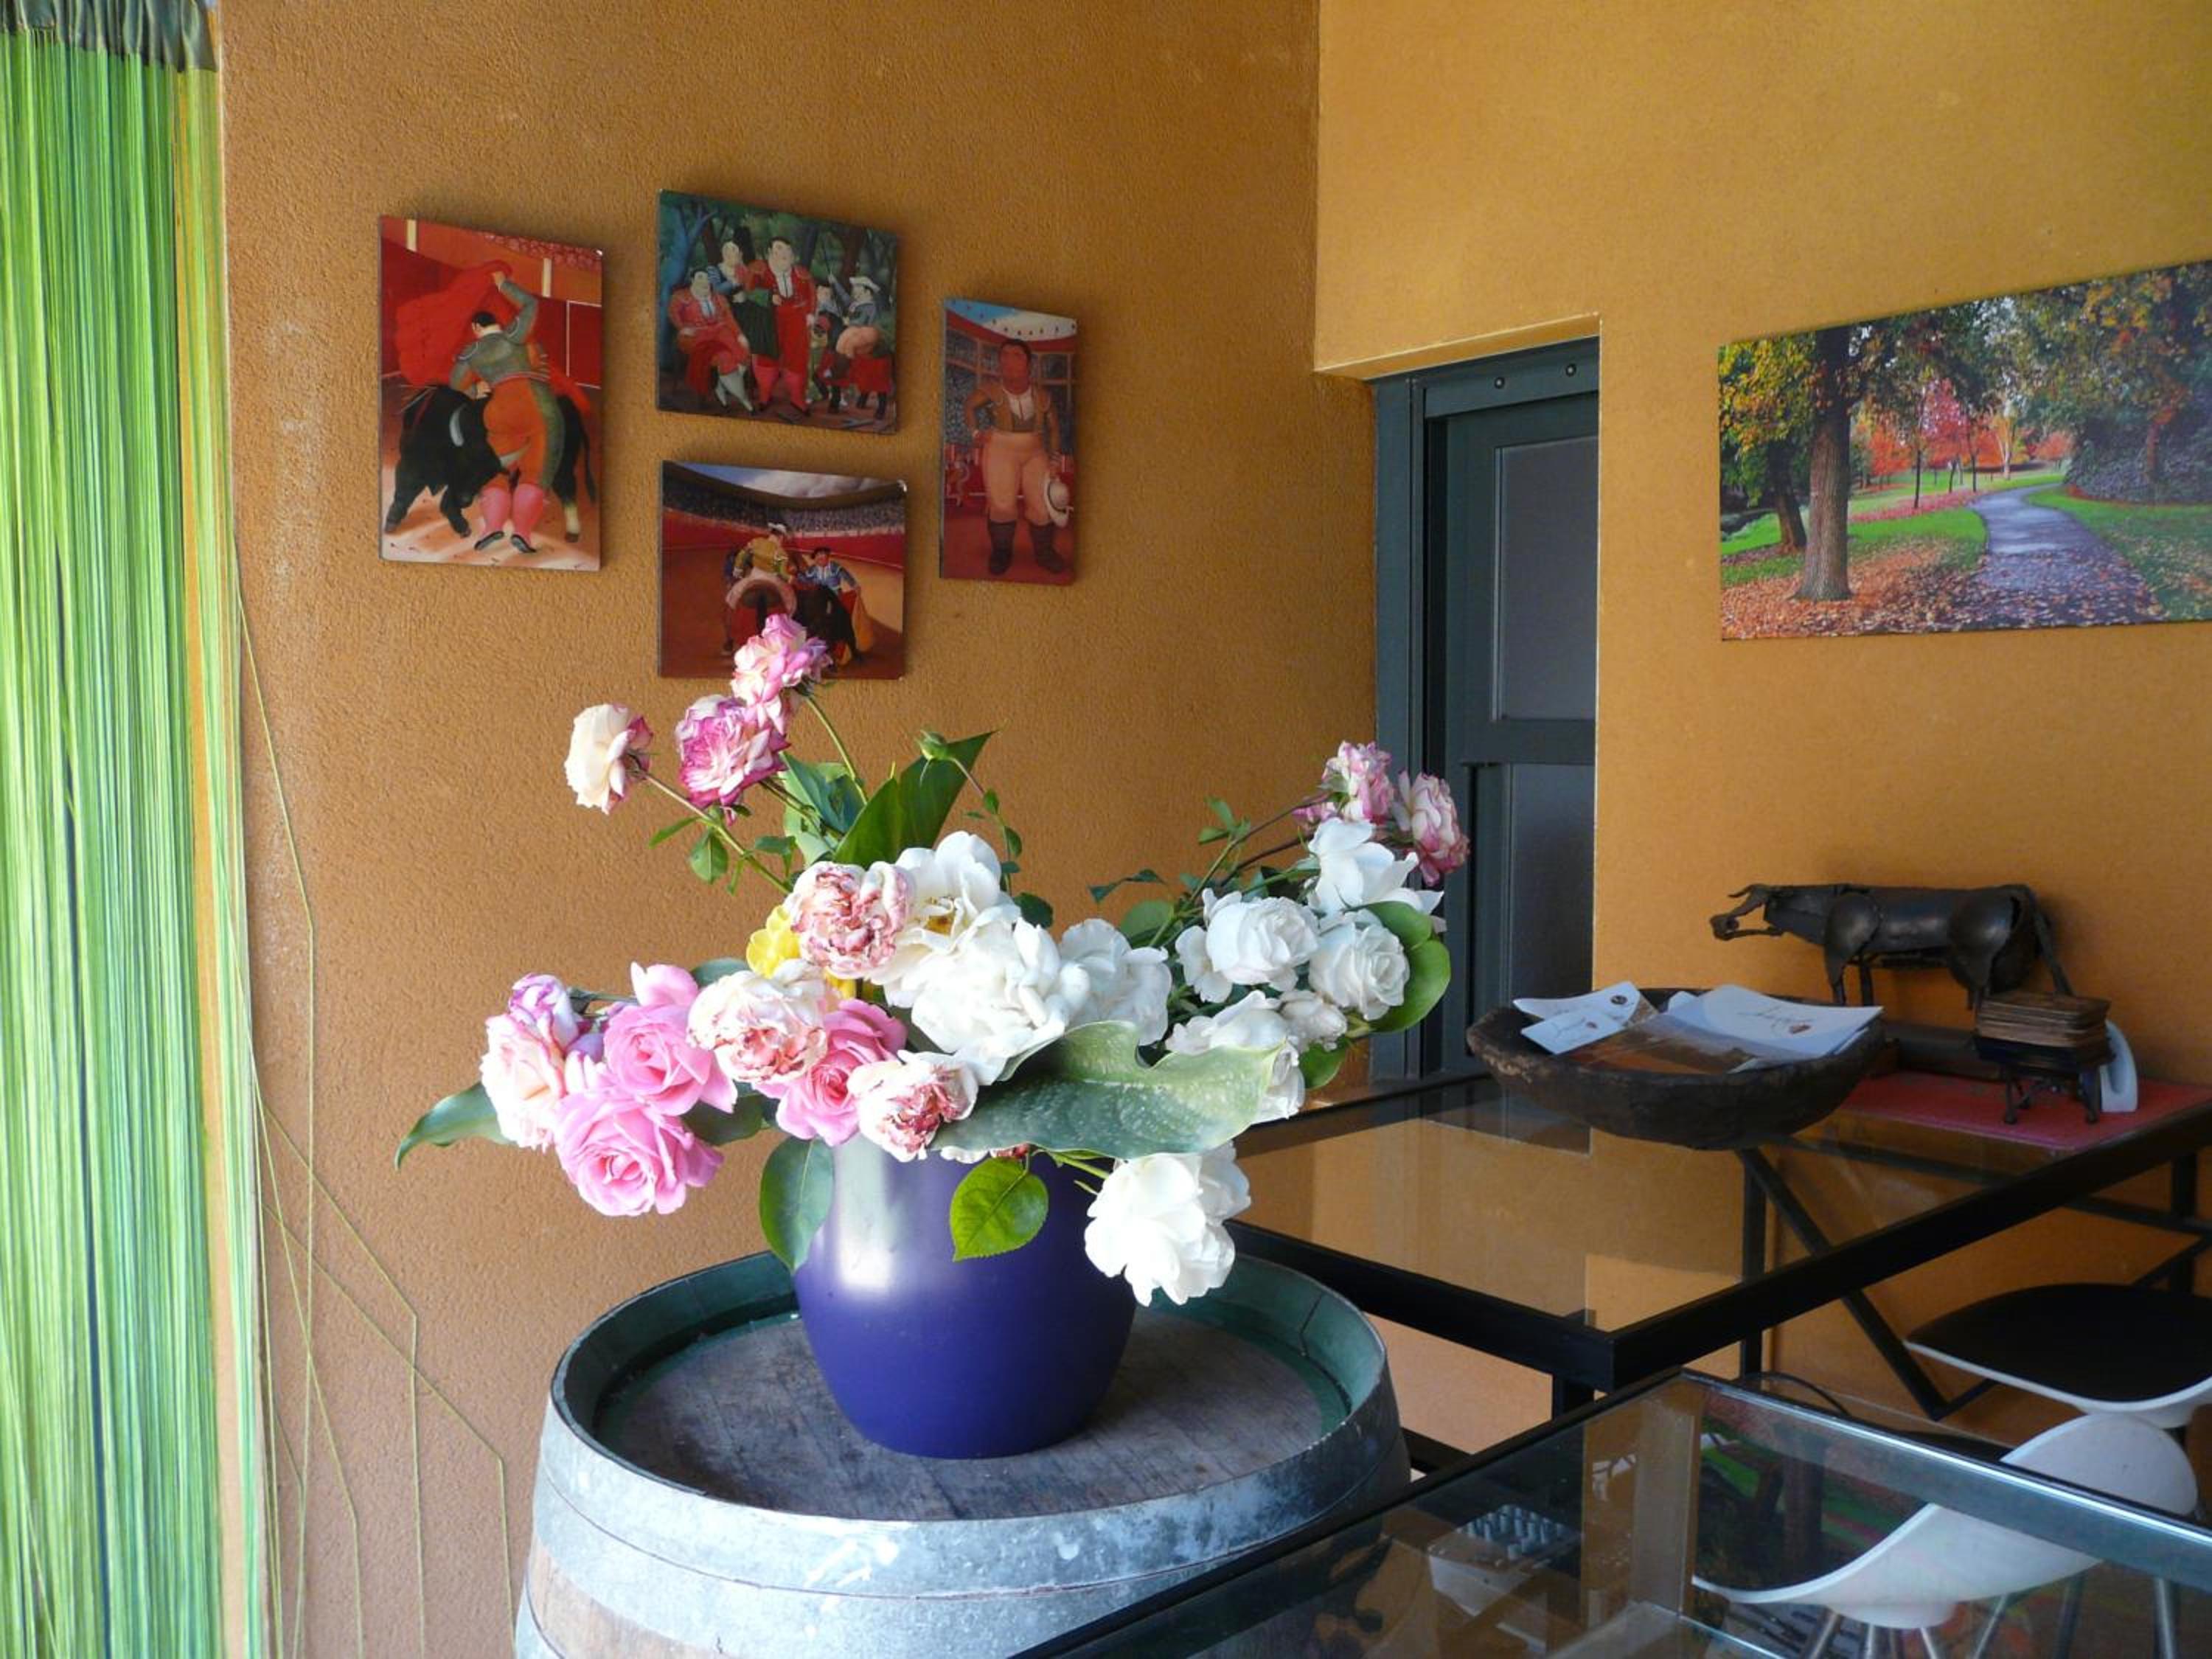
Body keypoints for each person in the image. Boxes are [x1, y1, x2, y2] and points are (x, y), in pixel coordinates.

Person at [449, 274, 563, 554]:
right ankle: (522, 533)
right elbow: (531, 304)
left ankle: (492, 527)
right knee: (536, 472)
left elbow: (455, 384)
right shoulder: (516, 335)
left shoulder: (472, 351)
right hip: (537, 407)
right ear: (498, 324)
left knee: (495, 471)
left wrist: (475, 389)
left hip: (499, 411)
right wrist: (503, 284)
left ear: (476, 328)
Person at [964, 338, 1065, 574]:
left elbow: (1054, 429)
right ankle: (1001, 552)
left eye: (1017, 355)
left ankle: (1044, 552)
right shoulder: (991, 390)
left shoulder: (1043, 396)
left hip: (1035, 449)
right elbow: (969, 406)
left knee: (1042, 505)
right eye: (1005, 355)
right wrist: (976, 433)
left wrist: (1054, 460)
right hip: (1001, 447)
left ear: (1029, 364)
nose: (1009, 361)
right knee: (1001, 504)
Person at [744, 236, 817, 411]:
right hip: (769, 321)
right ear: (770, 252)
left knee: (797, 358)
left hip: (797, 320)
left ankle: (797, 398)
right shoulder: (758, 270)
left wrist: (810, 314)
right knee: (766, 358)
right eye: (779, 248)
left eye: (787, 249)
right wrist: (768, 297)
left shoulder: (802, 274)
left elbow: (812, 295)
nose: (784, 253)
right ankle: (765, 395)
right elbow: (747, 292)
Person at [667, 270, 752, 409]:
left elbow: (729, 319)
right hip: (695, 335)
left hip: (720, 332)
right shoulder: (680, 297)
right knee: (724, 357)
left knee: (743, 351)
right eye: (701, 277)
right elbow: (673, 313)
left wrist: (739, 335)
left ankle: (723, 386)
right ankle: (741, 398)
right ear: (692, 280)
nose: (705, 281)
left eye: (707, 278)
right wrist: (682, 328)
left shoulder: (719, 298)